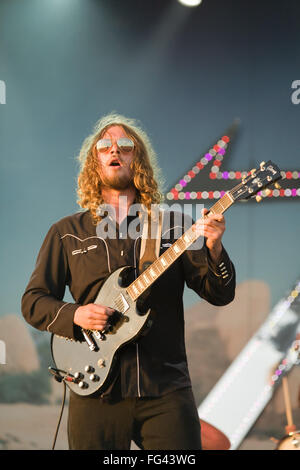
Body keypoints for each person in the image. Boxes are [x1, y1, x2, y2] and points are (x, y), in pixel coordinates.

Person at [21, 113, 236, 450]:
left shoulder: (175, 226)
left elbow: (220, 294)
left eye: (125, 145)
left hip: (165, 388)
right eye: (105, 145)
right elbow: (33, 302)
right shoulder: (66, 233)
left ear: (139, 159)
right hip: (96, 390)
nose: (114, 150)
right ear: (95, 161)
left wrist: (214, 246)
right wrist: (75, 315)